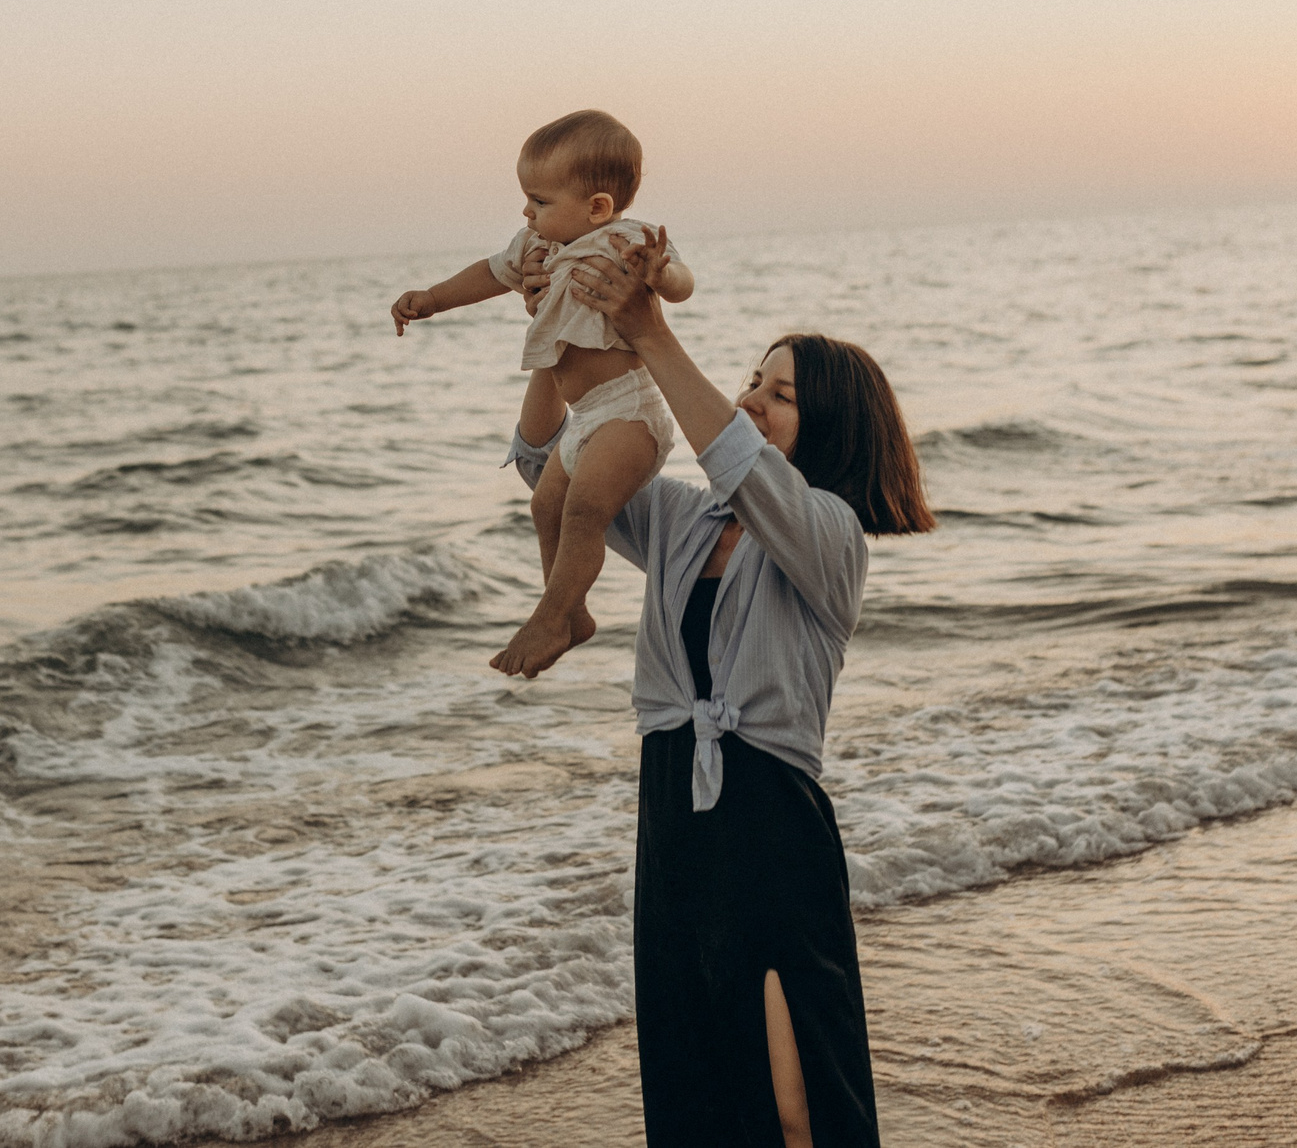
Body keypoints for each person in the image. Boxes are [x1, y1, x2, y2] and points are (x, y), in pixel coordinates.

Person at [503, 228, 934, 1148]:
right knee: (693, 1084)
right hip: (673, 824)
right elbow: (549, 469)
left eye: (783, 395)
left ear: (832, 426)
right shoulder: (678, 518)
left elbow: (740, 460)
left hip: (770, 825)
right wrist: (551, 335)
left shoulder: (829, 534)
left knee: (794, 1097)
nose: (753, 400)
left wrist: (652, 333)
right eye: (754, 380)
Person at [389, 109, 696, 674]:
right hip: (584, 419)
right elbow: (488, 273)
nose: (527, 211)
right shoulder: (538, 245)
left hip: (629, 412)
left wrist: (660, 273)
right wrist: (430, 298)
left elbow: (682, 282)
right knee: (544, 504)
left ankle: (551, 616)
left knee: (584, 511)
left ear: (597, 207)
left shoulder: (626, 240)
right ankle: (574, 613)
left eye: (540, 200)